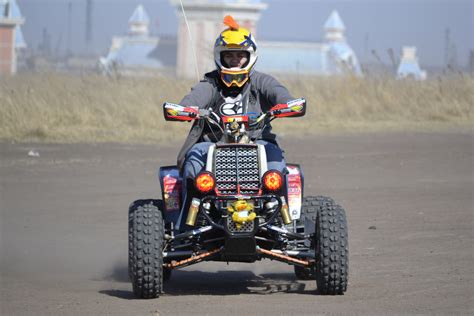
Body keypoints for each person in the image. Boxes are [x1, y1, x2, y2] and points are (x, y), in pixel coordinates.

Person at [176, 16, 296, 216]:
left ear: (250, 56)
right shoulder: (210, 82)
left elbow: (280, 94)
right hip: (211, 144)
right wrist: (185, 109)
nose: (234, 60)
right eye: (229, 55)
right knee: (192, 167)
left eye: (239, 55)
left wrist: (288, 104)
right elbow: (191, 100)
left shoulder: (261, 81)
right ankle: (185, 226)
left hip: (260, 143)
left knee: (277, 168)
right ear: (219, 57)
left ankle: (282, 221)